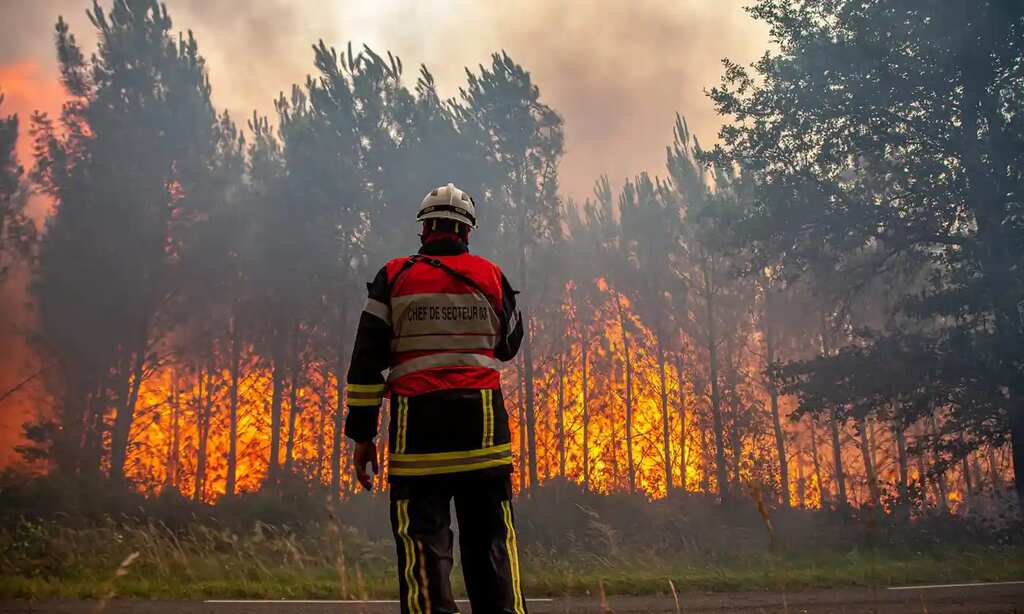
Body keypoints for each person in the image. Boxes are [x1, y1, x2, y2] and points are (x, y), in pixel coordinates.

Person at [344, 183, 526, 614]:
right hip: (484, 438)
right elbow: (510, 345)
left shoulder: (394, 277)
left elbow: (365, 368)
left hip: (418, 440)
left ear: (423, 229)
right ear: (468, 231)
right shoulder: (493, 276)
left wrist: (363, 437)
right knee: (492, 548)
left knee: (423, 554)